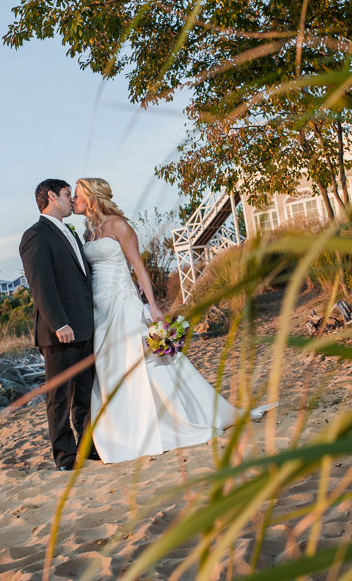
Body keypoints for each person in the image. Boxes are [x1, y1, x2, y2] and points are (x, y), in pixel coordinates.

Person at [72, 177, 276, 464]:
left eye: (77, 194)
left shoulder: (118, 225)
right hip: (99, 308)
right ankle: (119, 428)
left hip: (122, 303)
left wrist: (153, 306)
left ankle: (160, 423)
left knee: (135, 363)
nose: (73, 200)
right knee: (108, 367)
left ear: (92, 197)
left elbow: (139, 268)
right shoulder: (87, 232)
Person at [19, 179, 98, 471]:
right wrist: (59, 323)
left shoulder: (72, 234)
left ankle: (88, 449)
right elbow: (41, 285)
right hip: (60, 333)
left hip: (85, 328)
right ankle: (64, 457)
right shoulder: (35, 235)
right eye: (68, 194)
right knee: (59, 398)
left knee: (84, 395)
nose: (72, 199)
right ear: (51, 196)